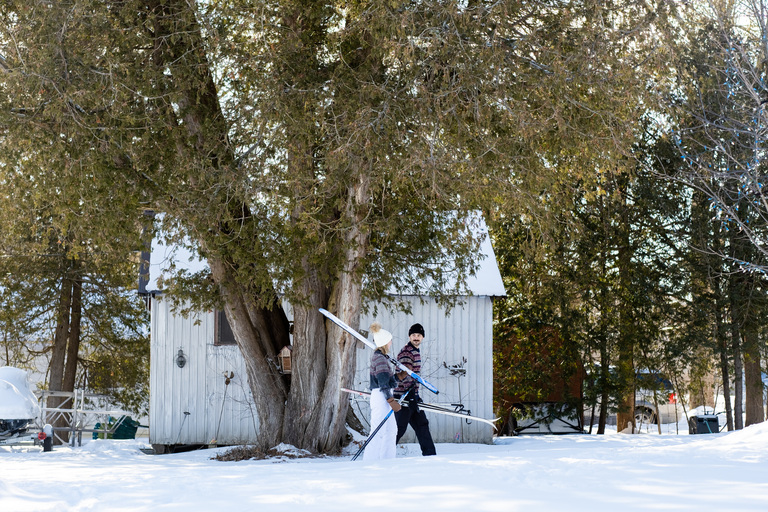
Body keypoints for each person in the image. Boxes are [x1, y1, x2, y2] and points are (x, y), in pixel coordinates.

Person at [393, 322, 436, 456]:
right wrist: (410, 396)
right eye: (413, 335)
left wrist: (414, 396)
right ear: (409, 337)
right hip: (404, 396)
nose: (416, 337)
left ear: (422, 337)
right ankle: (382, 455)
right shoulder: (407, 352)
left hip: (412, 395)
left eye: (418, 335)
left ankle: (430, 456)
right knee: (399, 428)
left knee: (422, 425)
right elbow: (404, 374)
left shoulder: (415, 350)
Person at [363, 322, 401, 461]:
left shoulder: (382, 358)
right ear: (385, 342)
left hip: (384, 395)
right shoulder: (379, 358)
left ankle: (387, 460)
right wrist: (391, 401)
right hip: (381, 397)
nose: (391, 343)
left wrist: (399, 377)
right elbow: (383, 383)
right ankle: (369, 461)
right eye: (390, 340)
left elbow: (387, 381)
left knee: (391, 431)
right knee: (378, 431)